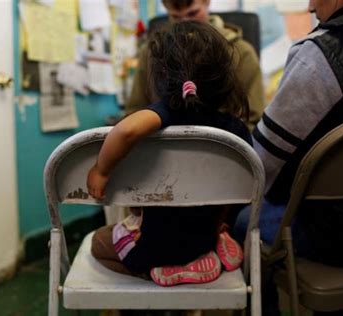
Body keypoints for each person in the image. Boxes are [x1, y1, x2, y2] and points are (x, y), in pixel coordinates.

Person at [233, 0, 343, 314]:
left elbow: (257, 170)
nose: (309, 6)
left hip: (337, 241)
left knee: (242, 219)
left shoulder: (325, 54)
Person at [87, 21, 249, 286]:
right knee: (210, 220)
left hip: (152, 246)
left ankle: (153, 271)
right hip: (203, 237)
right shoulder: (235, 131)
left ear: (161, 77)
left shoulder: (162, 117)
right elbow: (244, 189)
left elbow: (126, 131)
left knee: (99, 243)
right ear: (224, 78)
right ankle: (214, 248)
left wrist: (101, 170)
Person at [126, 0, 265, 131]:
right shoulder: (152, 52)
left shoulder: (241, 52)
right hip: (162, 147)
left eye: (192, 13)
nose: (185, 22)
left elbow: (253, 119)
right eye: (176, 16)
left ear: (207, 2)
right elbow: (134, 112)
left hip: (223, 148)